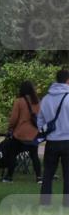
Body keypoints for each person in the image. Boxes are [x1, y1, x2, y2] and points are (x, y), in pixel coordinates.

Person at [39, 69, 69, 205]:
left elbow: (39, 121)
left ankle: (45, 201)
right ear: (68, 81)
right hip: (67, 140)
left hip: (51, 141)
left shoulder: (46, 99)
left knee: (48, 173)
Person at [2, 81, 42, 183]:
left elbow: (14, 119)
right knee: (34, 156)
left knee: (12, 154)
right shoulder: (37, 102)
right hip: (33, 133)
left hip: (20, 133)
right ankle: (39, 177)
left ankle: (9, 177)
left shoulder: (19, 101)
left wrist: (10, 127)